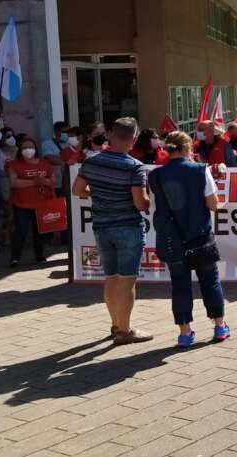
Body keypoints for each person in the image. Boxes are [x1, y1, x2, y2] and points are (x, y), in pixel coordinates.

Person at [72, 118, 153, 346]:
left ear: (111, 134)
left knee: (110, 278)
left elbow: (77, 190)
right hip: (128, 227)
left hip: (102, 226)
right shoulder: (135, 166)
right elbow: (140, 203)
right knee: (127, 281)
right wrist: (148, 201)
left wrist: (98, 194)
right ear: (134, 139)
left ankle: (116, 325)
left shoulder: (92, 161)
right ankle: (125, 331)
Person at [148, 131, 229, 347]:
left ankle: (185, 333)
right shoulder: (200, 170)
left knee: (180, 285)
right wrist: (222, 203)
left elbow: (155, 206)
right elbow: (212, 204)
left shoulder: (156, 175)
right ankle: (219, 326)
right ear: (187, 148)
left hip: (171, 238)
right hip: (200, 235)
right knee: (210, 281)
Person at [7, 137, 55, 267]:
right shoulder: (14, 164)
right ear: (20, 150)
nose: (28, 150)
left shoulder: (45, 163)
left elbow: (52, 181)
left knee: (40, 231)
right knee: (20, 231)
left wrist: (44, 181)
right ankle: (15, 257)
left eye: (31, 147)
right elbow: (14, 182)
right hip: (21, 204)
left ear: (35, 149)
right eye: (25, 148)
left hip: (41, 204)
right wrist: (34, 182)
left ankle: (39, 256)